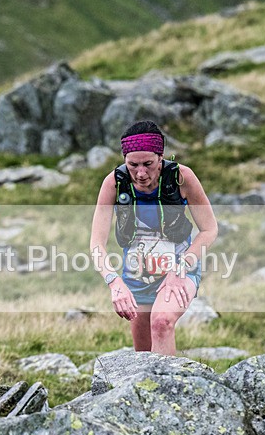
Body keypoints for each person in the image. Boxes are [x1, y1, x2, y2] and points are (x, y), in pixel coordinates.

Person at [90, 120, 218, 354]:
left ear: (161, 157)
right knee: (144, 355)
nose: (140, 173)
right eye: (132, 165)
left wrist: (181, 268)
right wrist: (114, 282)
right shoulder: (114, 183)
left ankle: (167, 380)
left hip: (179, 269)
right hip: (136, 275)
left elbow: (209, 229)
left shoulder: (181, 177)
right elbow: (97, 244)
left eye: (148, 164)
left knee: (161, 323)